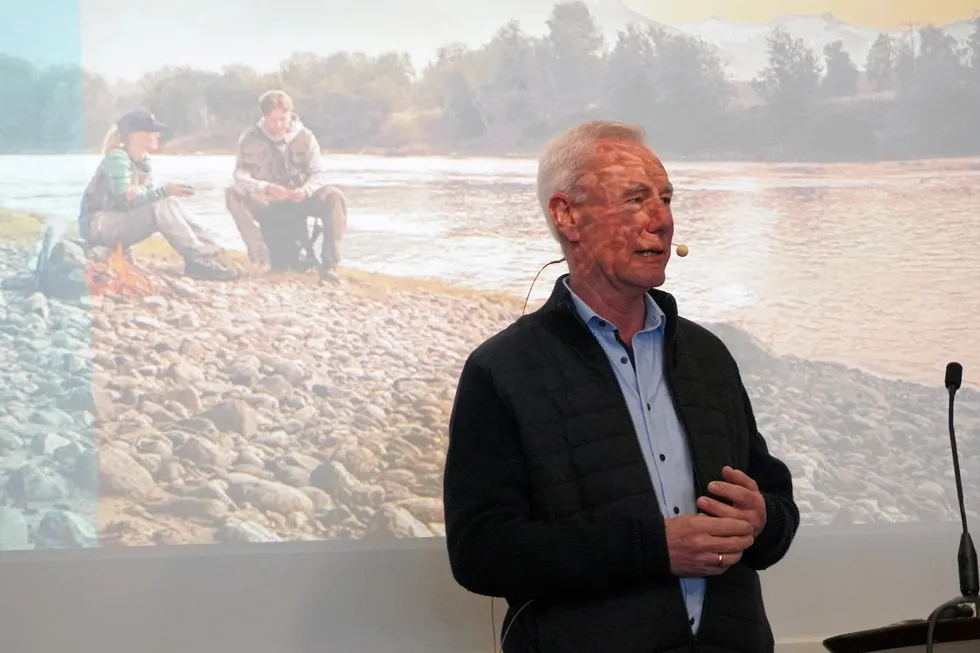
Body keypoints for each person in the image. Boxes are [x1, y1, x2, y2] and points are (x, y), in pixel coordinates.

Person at [443, 120, 799, 653]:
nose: (661, 221)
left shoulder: (708, 356)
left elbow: (776, 507)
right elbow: (481, 552)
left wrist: (762, 518)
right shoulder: (502, 370)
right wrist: (652, 548)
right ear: (567, 216)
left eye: (666, 198)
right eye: (635, 200)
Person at [79, 109, 238, 281]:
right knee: (162, 203)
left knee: (167, 202)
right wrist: (162, 191)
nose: (157, 135)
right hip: (97, 225)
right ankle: (197, 260)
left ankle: (210, 252)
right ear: (136, 135)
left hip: (116, 220)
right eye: (151, 131)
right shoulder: (117, 158)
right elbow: (126, 200)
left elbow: (145, 195)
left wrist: (160, 193)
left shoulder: (143, 161)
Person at [225, 90, 347, 282]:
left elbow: (318, 173)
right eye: (273, 121)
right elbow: (239, 176)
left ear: (291, 114)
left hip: (301, 199)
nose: (279, 125)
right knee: (233, 193)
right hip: (267, 201)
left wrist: (306, 190)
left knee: (334, 196)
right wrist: (264, 188)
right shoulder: (249, 138)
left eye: (283, 119)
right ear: (264, 117)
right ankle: (260, 257)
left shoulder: (306, 137)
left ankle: (329, 264)